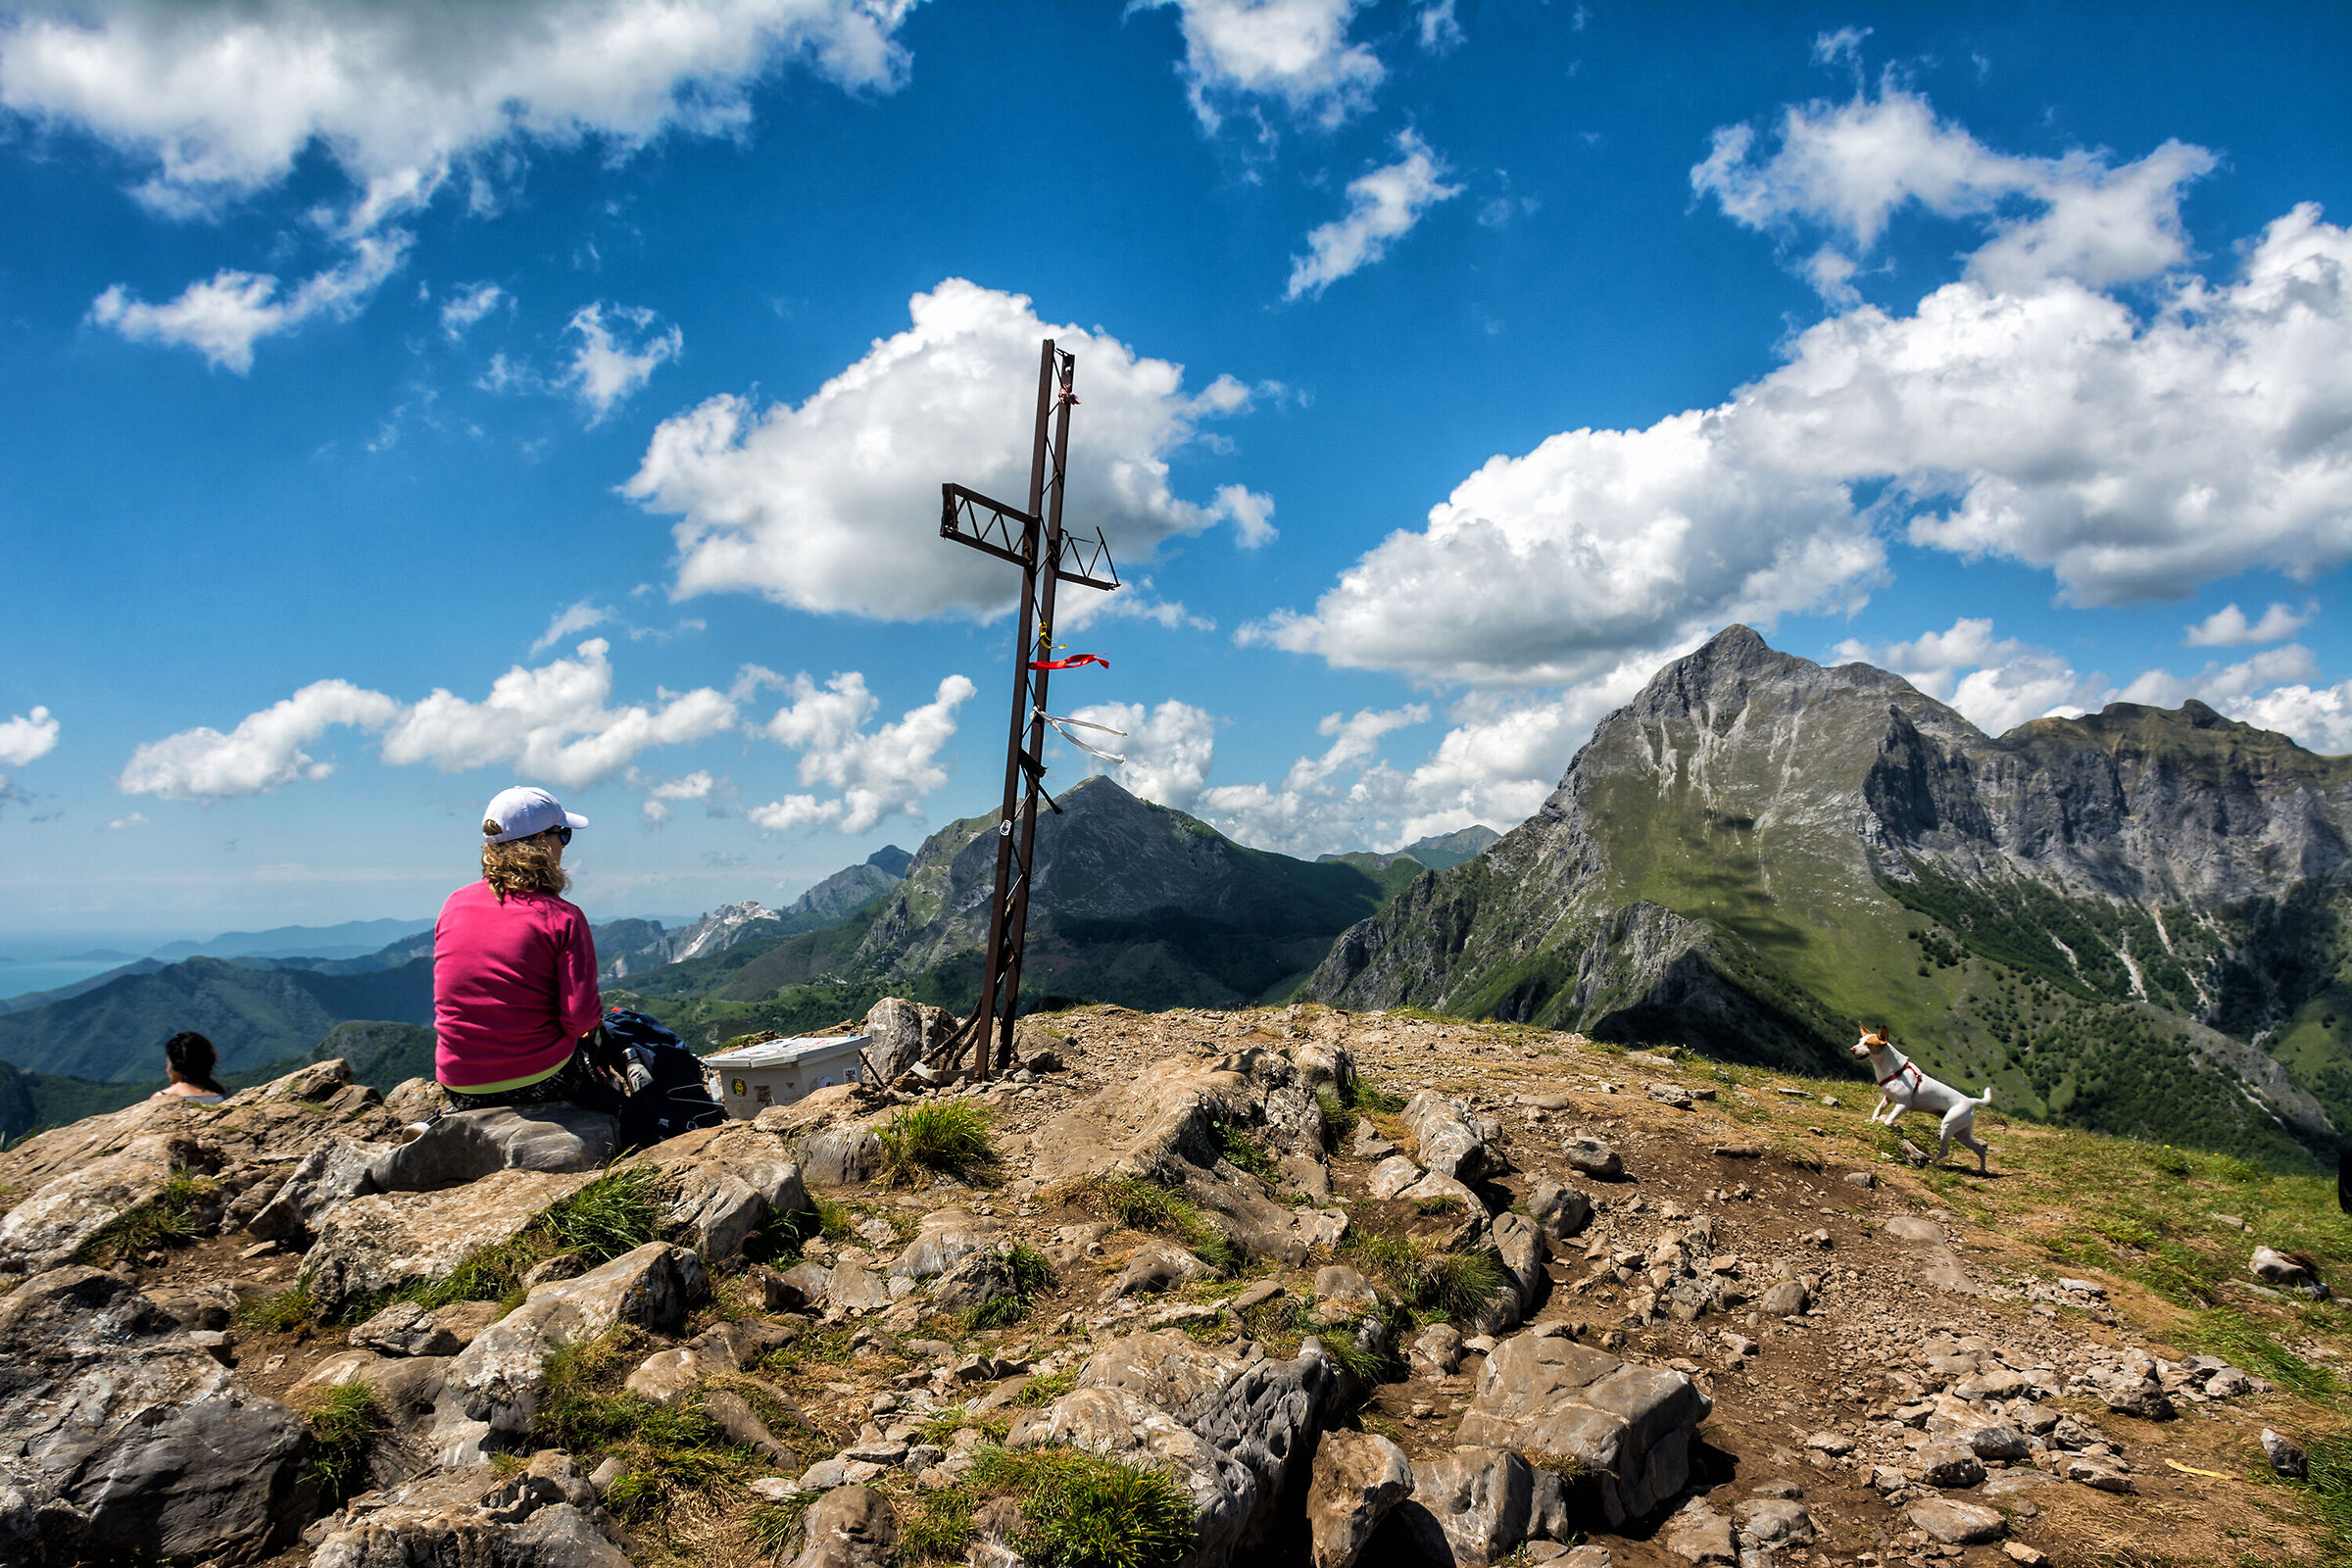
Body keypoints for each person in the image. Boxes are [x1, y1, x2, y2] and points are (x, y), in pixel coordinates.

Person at [432, 785, 609, 1110]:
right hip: (538, 1079)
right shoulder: (562, 917)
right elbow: (580, 1020)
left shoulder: (453, 904)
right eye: (563, 835)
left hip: (458, 1083)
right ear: (542, 842)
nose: (564, 845)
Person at [151, 1030, 227, 1103]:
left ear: (175, 1066)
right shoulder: (224, 1094)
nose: (167, 1070)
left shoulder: (162, 1097)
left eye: (168, 1064)